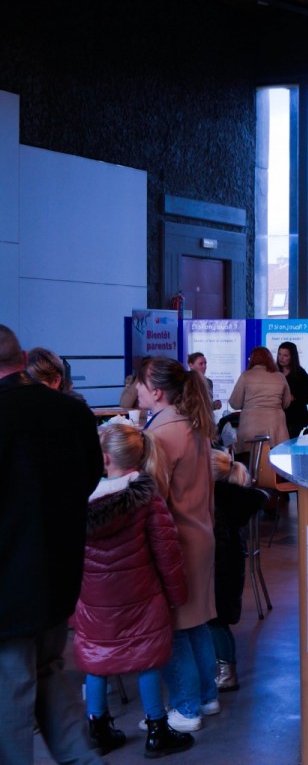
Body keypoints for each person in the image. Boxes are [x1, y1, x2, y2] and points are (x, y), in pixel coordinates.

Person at [0, 324, 105, 765]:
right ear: (24, 359)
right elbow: (90, 478)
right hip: (58, 575)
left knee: (10, 698)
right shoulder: (72, 412)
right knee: (50, 674)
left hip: (7, 588)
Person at [76, 424, 194, 758]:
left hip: (95, 601)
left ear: (104, 459)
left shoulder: (79, 500)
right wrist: (176, 595)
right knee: (147, 661)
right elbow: (166, 551)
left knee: (97, 661)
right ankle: (157, 730)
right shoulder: (148, 499)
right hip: (141, 597)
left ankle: (98, 730)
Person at [135, 356, 221, 731]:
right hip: (200, 534)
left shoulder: (162, 433)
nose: (135, 390)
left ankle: (186, 708)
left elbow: (155, 497)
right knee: (196, 621)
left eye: (139, 384)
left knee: (173, 626)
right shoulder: (192, 423)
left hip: (177, 542)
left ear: (155, 391)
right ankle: (207, 695)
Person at [209, 449, 265, 694]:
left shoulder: (215, 506)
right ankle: (224, 670)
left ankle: (226, 674)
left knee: (215, 622)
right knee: (219, 622)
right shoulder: (233, 504)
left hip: (218, 571)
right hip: (230, 569)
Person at [230, 346, 293, 455]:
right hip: (276, 428)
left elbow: (235, 403)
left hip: (250, 428)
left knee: (250, 462)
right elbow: (286, 403)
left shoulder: (246, 376)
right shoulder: (280, 377)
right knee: (274, 462)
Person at [277, 341, 308, 440]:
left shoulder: (300, 374)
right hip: (277, 417)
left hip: (294, 418)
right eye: (279, 354)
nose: (281, 358)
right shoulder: (274, 372)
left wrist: (294, 397)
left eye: (285, 355)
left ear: (292, 357)